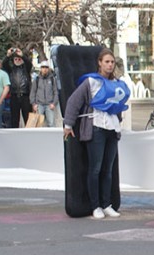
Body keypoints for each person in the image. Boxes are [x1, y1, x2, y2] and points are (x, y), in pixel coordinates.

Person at [63, 48, 130, 220]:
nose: (110, 65)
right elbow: (73, 101)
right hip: (96, 127)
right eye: (106, 61)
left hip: (112, 129)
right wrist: (68, 124)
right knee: (95, 168)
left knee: (108, 170)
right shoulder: (91, 82)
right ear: (100, 63)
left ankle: (107, 204)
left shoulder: (117, 84)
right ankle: (96, 206)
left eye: (112, 62)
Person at [3, 47, 33, 128]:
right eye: (15, 59)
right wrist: (8, 55)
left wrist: (22, 55)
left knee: (27, 117)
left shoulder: (26, 69)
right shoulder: (11, 70)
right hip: (14, 95)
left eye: (19, 59)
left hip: (25, 95)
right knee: (14, 118)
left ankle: (29, 135)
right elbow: (4, 64)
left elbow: (29, 64)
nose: (17, 60)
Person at [30, 60, 58, 128]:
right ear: (40, 69)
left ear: (48, 69)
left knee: (51, 124)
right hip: (39, 105)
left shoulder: (52, 79)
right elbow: (33, 92)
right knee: (38, 124)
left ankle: (51, 138)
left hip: (49, 104)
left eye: (46, 67)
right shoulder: (36, 79)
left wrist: (54, 103)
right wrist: (33, 104)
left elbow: (55, 92)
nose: (44, 69)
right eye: (43, 67)